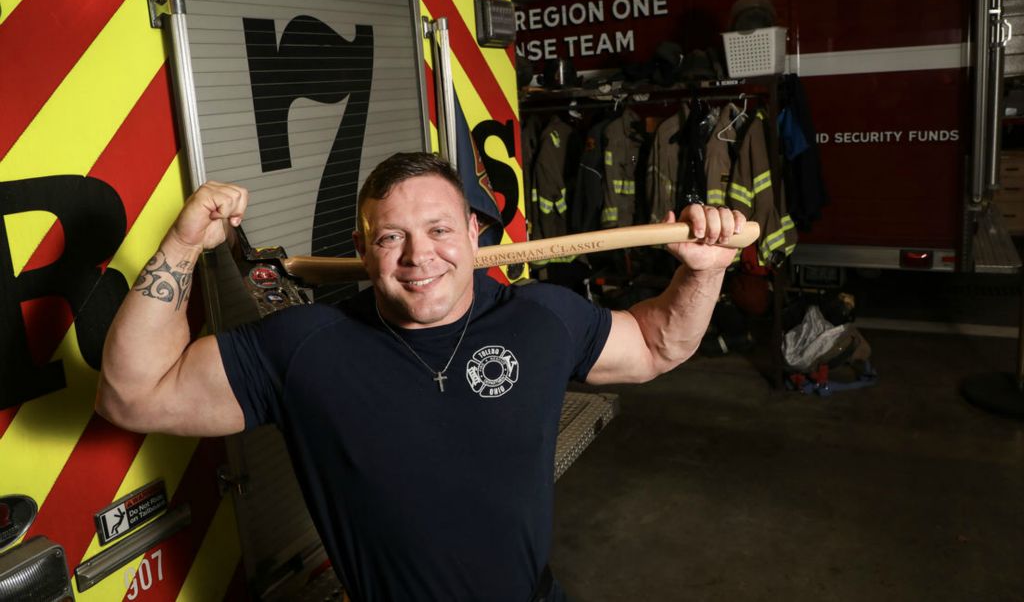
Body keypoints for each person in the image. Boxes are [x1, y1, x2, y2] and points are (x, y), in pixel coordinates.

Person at [98, 152, 746, 602]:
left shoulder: (541, 319)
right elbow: (134, 394)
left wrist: (704, 269)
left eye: (439, 229)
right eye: (391, 239)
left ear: (472, 231)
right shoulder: (304, 348)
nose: (419, 257)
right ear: (362, 249)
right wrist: (180, 247)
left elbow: (659, 344)